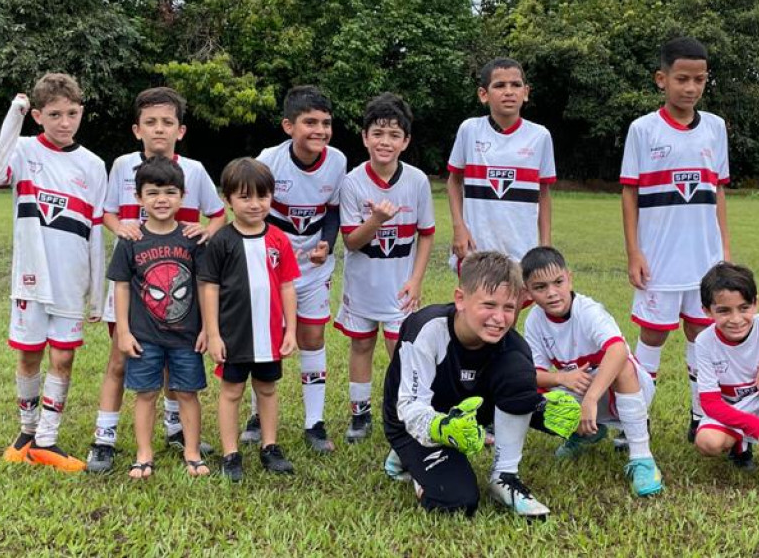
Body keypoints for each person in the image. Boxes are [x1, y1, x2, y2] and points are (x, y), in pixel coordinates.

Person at [86, 87, 225, 473]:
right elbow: (109, 214)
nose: (158, 129)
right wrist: (123, 228)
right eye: (151, 122)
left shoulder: (194, 170)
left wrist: (206, 232)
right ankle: (105, 437)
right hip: (136, 277)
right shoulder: (122, 165)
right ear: (137, 129)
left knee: (174, 363)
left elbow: (217, 215)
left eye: (167, 122)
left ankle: (176, 429)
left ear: (180, 130)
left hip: (177, 275)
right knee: (121, 358)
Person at [382, 251, 580, 518]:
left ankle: (504, 477)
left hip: (467, 411)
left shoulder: (512, 345)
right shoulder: (427, 330)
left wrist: (542, 411)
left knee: (518, 370)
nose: (499, 318)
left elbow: (513, 395)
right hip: (413, 419)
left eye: (508, 308)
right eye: (489, 305)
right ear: (460, 299)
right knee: (457, 502)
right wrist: (442, 427)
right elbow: (409, 407)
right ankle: (404, 457)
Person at [620, 37, 730, 442]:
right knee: (652, 337)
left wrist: (725, 253)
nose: (691, 87)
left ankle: (702, 417)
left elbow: (718, 192)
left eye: (699, 79)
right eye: (682, 78)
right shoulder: (643, 130)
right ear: (661, 79)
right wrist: (634, 252)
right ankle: (635, 419)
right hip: (660, 259)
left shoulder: (716, 128)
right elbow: (630, 193)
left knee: (703, 337)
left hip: (704, 259)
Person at [0, 74, 107, 472]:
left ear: (81, 113)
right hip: (30, 279)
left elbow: (95, 231)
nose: (65, 122)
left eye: (72, 113)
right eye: (55, 115)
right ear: (39, 116)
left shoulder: (93, 165)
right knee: (28, 357)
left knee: (63, 359)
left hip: (70, 282)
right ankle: (26, 431)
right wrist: (14, 115)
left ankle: (47, 438)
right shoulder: (23, 150)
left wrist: (97, 294)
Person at [247, 86, 346, 453]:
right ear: (289, 126)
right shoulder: (268, 161)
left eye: (326, 123)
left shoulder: (336, 161)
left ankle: (314, 423)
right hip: (271, 266)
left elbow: (332, 210)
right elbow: (251, 211)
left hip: (314, 267)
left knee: (312, 338)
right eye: (310, 122)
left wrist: (326, 243)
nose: (319, 130)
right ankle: (257, 415)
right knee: (267, 339)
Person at [521, 246, 663, 497]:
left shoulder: (587, 311)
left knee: (623, 366)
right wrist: (561, 377)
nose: (552, 293)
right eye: (540, 287)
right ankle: (585, 435)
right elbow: (533, 374)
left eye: (558, 282)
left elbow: (618, 350)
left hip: (627, 390)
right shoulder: (534, 320)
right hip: (582, 386)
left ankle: (642, 457)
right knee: (536, 397)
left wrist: (590, 399)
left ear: (570, 278)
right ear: (528, 290)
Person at [335, 93, 435, 443]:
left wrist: (416, 279)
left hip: (400, 288)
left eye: (394, 135)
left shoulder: (418, 181)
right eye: (378, 133)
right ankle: (359, 414)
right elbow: (351, 242)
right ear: (365, 137)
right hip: (362, 285)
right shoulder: (352, 182)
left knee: (401, 352)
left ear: (405, 141)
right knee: (361, 346)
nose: (385, 141)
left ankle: (401, 412)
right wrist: (376, 219)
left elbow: (426, 234)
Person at [107, 156, 209, 478]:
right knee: (146, 393)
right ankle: (144, 454)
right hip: (144, 335)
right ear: (138, 198)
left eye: (169, 192)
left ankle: (192, 451)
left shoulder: (193, 239)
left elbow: (205, 287)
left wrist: (207, 328)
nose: (161, 200)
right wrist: (123, 331)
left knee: (188, 393)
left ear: (182, 195)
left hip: (186, 335)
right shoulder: (131, 240)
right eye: (152, 193)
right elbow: (121, 287)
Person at [199, 158, 299, 481]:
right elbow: (210, 289)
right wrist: (213, 334)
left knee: (267, 389)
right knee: (231, 391)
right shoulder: (221, 242)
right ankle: (231, 453)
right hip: (234, 334)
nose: (255, 204)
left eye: (262, 196)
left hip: (269, 334)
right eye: (245, 197)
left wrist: (291, 330)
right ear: (227, 200)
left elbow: (287, 286)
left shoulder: (279, 240)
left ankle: (270, 447)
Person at [446, 57, 555, 273]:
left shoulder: (540, 136)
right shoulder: (470, 130)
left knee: (511, 307)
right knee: (476, 306)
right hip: (475, 248)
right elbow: (453, 182)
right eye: (499, 85)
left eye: (515, 85)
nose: (509, 91)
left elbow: (543, 193)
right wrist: (459, 227)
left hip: (521, 247)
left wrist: (545, 244)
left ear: (526, 92)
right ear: (483, 94)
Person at [694, 262, 759, 498]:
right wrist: (757, 427)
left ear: (756, 303)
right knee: (707, 441)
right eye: (724, 311)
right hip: (740, 409)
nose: (736, 319)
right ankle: (741, 445)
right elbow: (710, 403)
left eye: (744, 308)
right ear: (707, 311)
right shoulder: (705, 342)